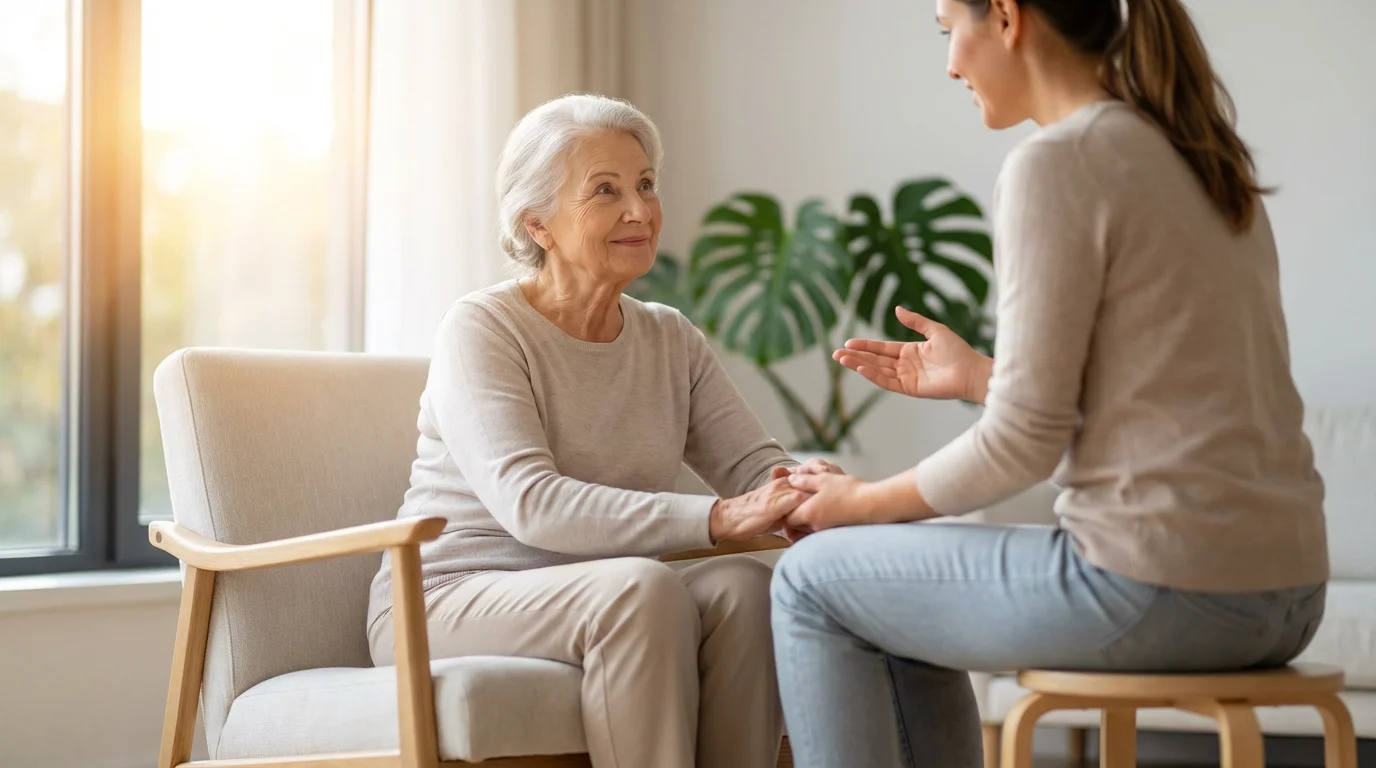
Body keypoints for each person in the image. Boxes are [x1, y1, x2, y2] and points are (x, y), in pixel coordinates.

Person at [768, 0, 1329, 765]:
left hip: (1160, 586)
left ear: (1005, 17)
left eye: (947, 30)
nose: (949, 63)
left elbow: (1022, 446)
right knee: (889, 590)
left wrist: (860, 504)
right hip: (1288, 591)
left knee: (808, 579)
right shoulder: (1200, 154)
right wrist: (980, 378)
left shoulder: (1059, 161)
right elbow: (1166, 394)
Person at [366, 94, 805, 768]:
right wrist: (719, 516)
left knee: (742, 590)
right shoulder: (483, 327)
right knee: (642, 588)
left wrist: (813, 492)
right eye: (606, 191)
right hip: (448, 599)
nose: (640, 209)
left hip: (608, 591)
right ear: (537, 224)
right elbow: (531, 503)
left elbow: (755, 469)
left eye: (646, 184)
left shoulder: (669, 338)